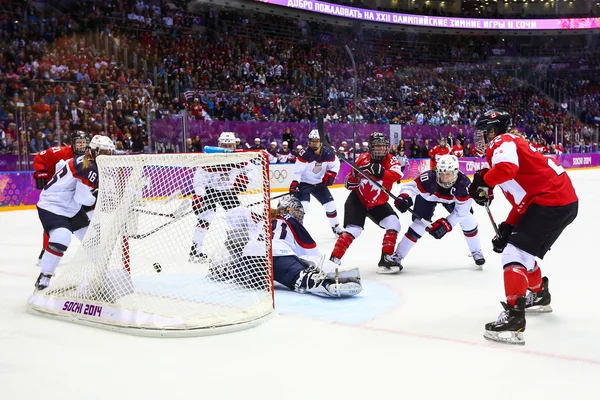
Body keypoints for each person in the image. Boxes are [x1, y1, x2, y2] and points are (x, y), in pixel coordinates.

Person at [468, 110, 578, 345]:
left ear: (493, 131)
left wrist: (483, 181)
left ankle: (514, 319)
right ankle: (539, 294)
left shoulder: (503, 141)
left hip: (551, 202)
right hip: (557, 201)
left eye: (483, 132)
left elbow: (506, 169)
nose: (480, 138)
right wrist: (508, 226)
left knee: (514, 254)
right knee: (522, 251)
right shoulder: (514, 148)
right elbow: (524, 200)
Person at [34, 135, 115, 290]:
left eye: (109, 152)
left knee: (91, 239)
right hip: (52, 205)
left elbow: (62, 168)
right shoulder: (89, 167)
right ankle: (44, 277)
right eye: (104, 152)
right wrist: (98, 199)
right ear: (95, 151)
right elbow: (83, 197)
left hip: (70, 206)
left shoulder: (88, 161)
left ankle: (102, 273)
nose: (108, 156)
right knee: (61, 238)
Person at [393, 154, 485, 269]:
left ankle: (476, 251)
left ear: (456, 172)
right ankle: (397, 256)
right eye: (441, 173)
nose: (445, 177)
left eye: (448, 174)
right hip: (429, 197)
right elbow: (409, 187)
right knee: (419, 225)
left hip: (452, 200)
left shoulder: (463, 184)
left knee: (468, 220)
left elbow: (462, 212)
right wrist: (404, 197)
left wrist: (446, 224)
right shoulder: (429, 178)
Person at [329, 132, 404, 274]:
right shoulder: (362, 159)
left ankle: (386, 257)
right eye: (377, 147)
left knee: (394, 223)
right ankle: (333, 260)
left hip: (379, 203)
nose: (381, 150)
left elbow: (397, 175)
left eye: (383, 147)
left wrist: (381, 172)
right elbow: (349, 181)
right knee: (354, 230)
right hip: (358, 200)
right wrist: (353, 179)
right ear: (370, 148)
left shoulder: (391, 160)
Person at [189, 131, 259, 263]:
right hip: (210, 191)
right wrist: (199, 196)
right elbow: (199, 180)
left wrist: (243, 179)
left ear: (234, 146)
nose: (227, 149)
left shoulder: (238, 158)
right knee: (205, 218)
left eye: (230, 145)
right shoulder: (210, 159)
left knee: (238, 217)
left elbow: (253, 170)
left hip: (227, 191)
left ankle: (244, 247)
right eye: (224, 145)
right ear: (219, 145)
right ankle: (196, 250)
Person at [271, 196, 361, 297]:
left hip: (254, 262)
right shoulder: (292, 222)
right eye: (297, 211)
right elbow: (310, 256)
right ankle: (326, 284)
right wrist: (329, 268)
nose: (299, 215)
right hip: (279, 257)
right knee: (303, 276)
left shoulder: (267, 218)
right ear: (288, 210)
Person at [33, 131, 90, 265]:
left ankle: (94, 249)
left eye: (84, 143)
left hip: (76, 191)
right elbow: (39, 158)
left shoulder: (89, 156)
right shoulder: (59, 152)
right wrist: (41, 172)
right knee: (55, 223)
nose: (81, 146)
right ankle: (47, 249)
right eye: (78, 143)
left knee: (87, 218)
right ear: (72, 143)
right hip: (56, 192)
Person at [289, 129, 342, 236]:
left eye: (316, 140)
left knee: (330, 205)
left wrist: (331, 174)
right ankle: (296, 229)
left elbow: (336, 165)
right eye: (312, 140)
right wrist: (295, 183)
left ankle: (336, 227)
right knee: (303, 207)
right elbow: (297, 171)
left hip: (319, 184)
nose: (314, 142)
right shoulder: (304, 154)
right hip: (304, 183)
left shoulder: (329, 153)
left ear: (321, 142)